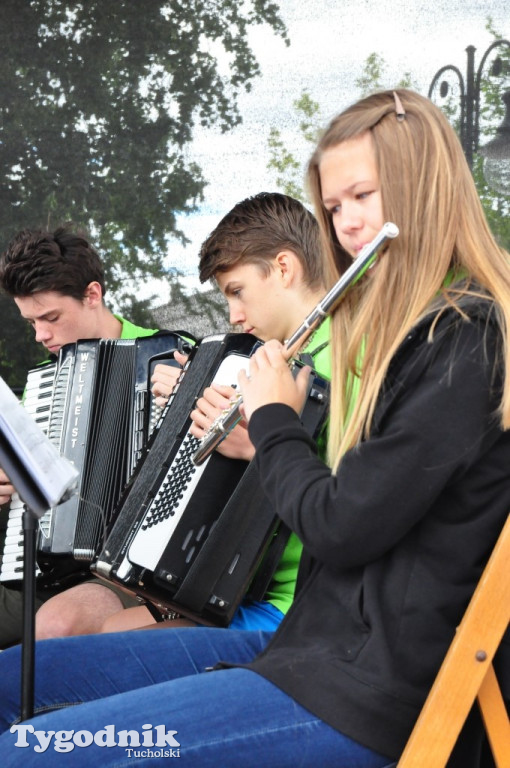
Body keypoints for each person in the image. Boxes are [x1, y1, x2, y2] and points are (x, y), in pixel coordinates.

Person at [0, 88, 509, 768]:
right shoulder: (404, 337)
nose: (349, 225)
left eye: (363, 196)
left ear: (423, 188)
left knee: (36, 752)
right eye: (333, 206)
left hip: (359, 691)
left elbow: (340, 526)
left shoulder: (466, 339)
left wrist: (272, 419)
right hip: (305, 652)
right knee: (13, 686)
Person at [101, 191, 331, 633]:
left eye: (237, 292)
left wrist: (256, 446)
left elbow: (358, 498)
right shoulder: (268, 358)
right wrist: (189, 402)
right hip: (246, 586)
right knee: (105, 630)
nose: (234, 315)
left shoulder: (352, 355)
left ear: (284, 268)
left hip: (297, 606)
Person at [0, 225, 158, 648]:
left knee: (60, 623)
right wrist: (11, 485)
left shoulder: (168, 356)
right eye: (31, 321)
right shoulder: (45, 386)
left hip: (133, 575)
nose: (40, 335)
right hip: (45, 567)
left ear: (93, 294)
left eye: (50, 318)